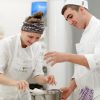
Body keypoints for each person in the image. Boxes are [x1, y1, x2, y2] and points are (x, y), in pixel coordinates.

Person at [44, 0, 100, 99]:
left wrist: (66, 56)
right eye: (67, 20)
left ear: (82, 10)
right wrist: (70, 88)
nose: (70, 22)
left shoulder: (98, 28)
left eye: (70, 16)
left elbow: (97, 60)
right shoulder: (86, 34)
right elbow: (82, 68)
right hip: (86, 93)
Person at [0, 12, 56, 100]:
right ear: (22, 31)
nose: (33, 41)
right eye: (30, 36)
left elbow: (37, 76)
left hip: (23, 95)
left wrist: (45, 79)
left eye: (37, 38)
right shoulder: (7, 44)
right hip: (4, 95)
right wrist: (16, 82)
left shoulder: (36, 47)